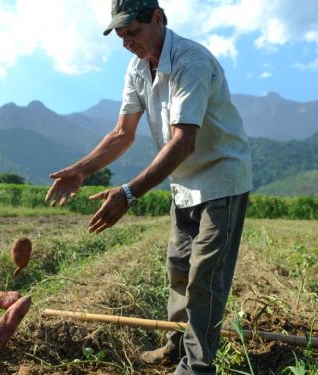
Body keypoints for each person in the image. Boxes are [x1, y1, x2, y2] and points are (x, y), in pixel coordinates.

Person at [45, 0, 252, 373]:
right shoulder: (138, 68)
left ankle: (197, 367)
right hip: (183, 182)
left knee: (205, 278)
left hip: (222, 179)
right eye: (121, 36)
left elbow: (184, 140)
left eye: (133, 32)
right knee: (178, 268)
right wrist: (81, 169)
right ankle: (176, 343)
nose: (127, 42)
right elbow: (122, 133)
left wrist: (128, 193)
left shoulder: (191, 61)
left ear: (157, 19)